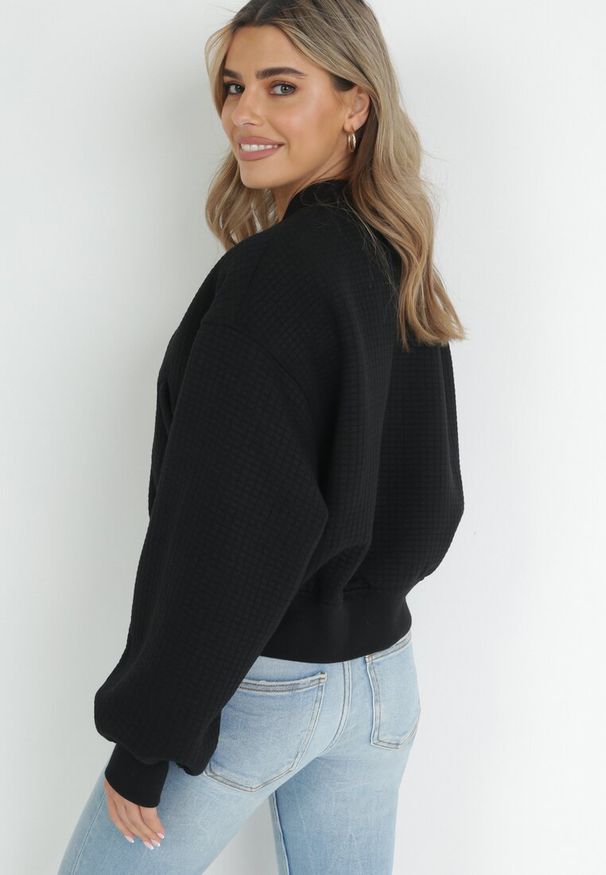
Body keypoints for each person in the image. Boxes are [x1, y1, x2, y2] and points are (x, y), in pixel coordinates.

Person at [57, 1, 466, 872]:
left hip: (269, 685)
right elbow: (432, 497)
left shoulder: (268, 279)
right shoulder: (396, 256)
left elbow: (222, 534)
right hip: (384, 680)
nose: (245, 113)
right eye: (234, 87)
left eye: (282, 87)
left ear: (355, 103)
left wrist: (148, 739)